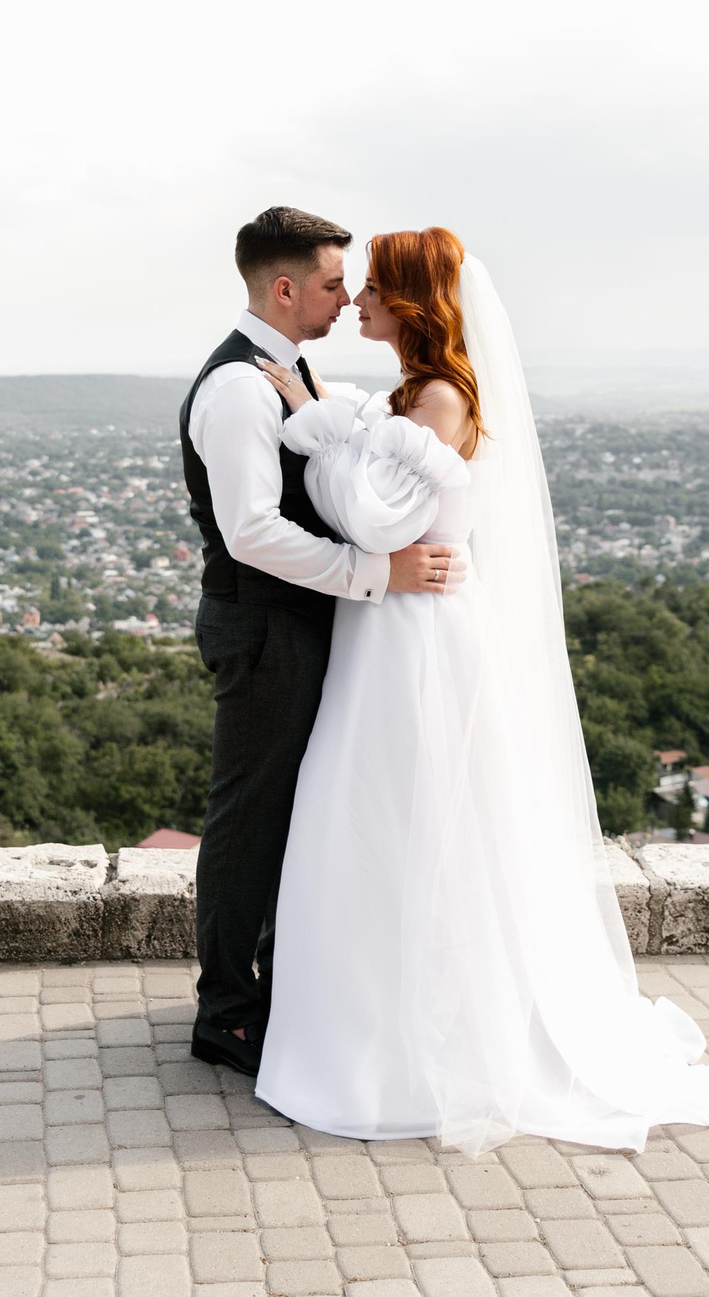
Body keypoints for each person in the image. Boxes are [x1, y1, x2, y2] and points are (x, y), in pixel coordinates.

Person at [250, 227, 709, 1153]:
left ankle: (400, 1048)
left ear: (411, 301)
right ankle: (365, 1030)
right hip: (392, 624)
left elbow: (370, 514)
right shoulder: (412, 394)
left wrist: (313, 425)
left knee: (401, 815)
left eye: (373, 291)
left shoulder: (438, 397)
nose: (356, 302)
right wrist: (342, 422)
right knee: (375, 815)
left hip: (418, 635)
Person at [179, 207, 467, 1076]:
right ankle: (226, 1011)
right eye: (336, 283)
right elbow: (253, 533)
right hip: (264, 624)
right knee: (248, 817)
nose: (348, 298)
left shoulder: (291, 372)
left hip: (298, 620)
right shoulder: (237, 387)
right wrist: (377, 576)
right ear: (285, 287)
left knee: (287, 814)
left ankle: (271, 988)